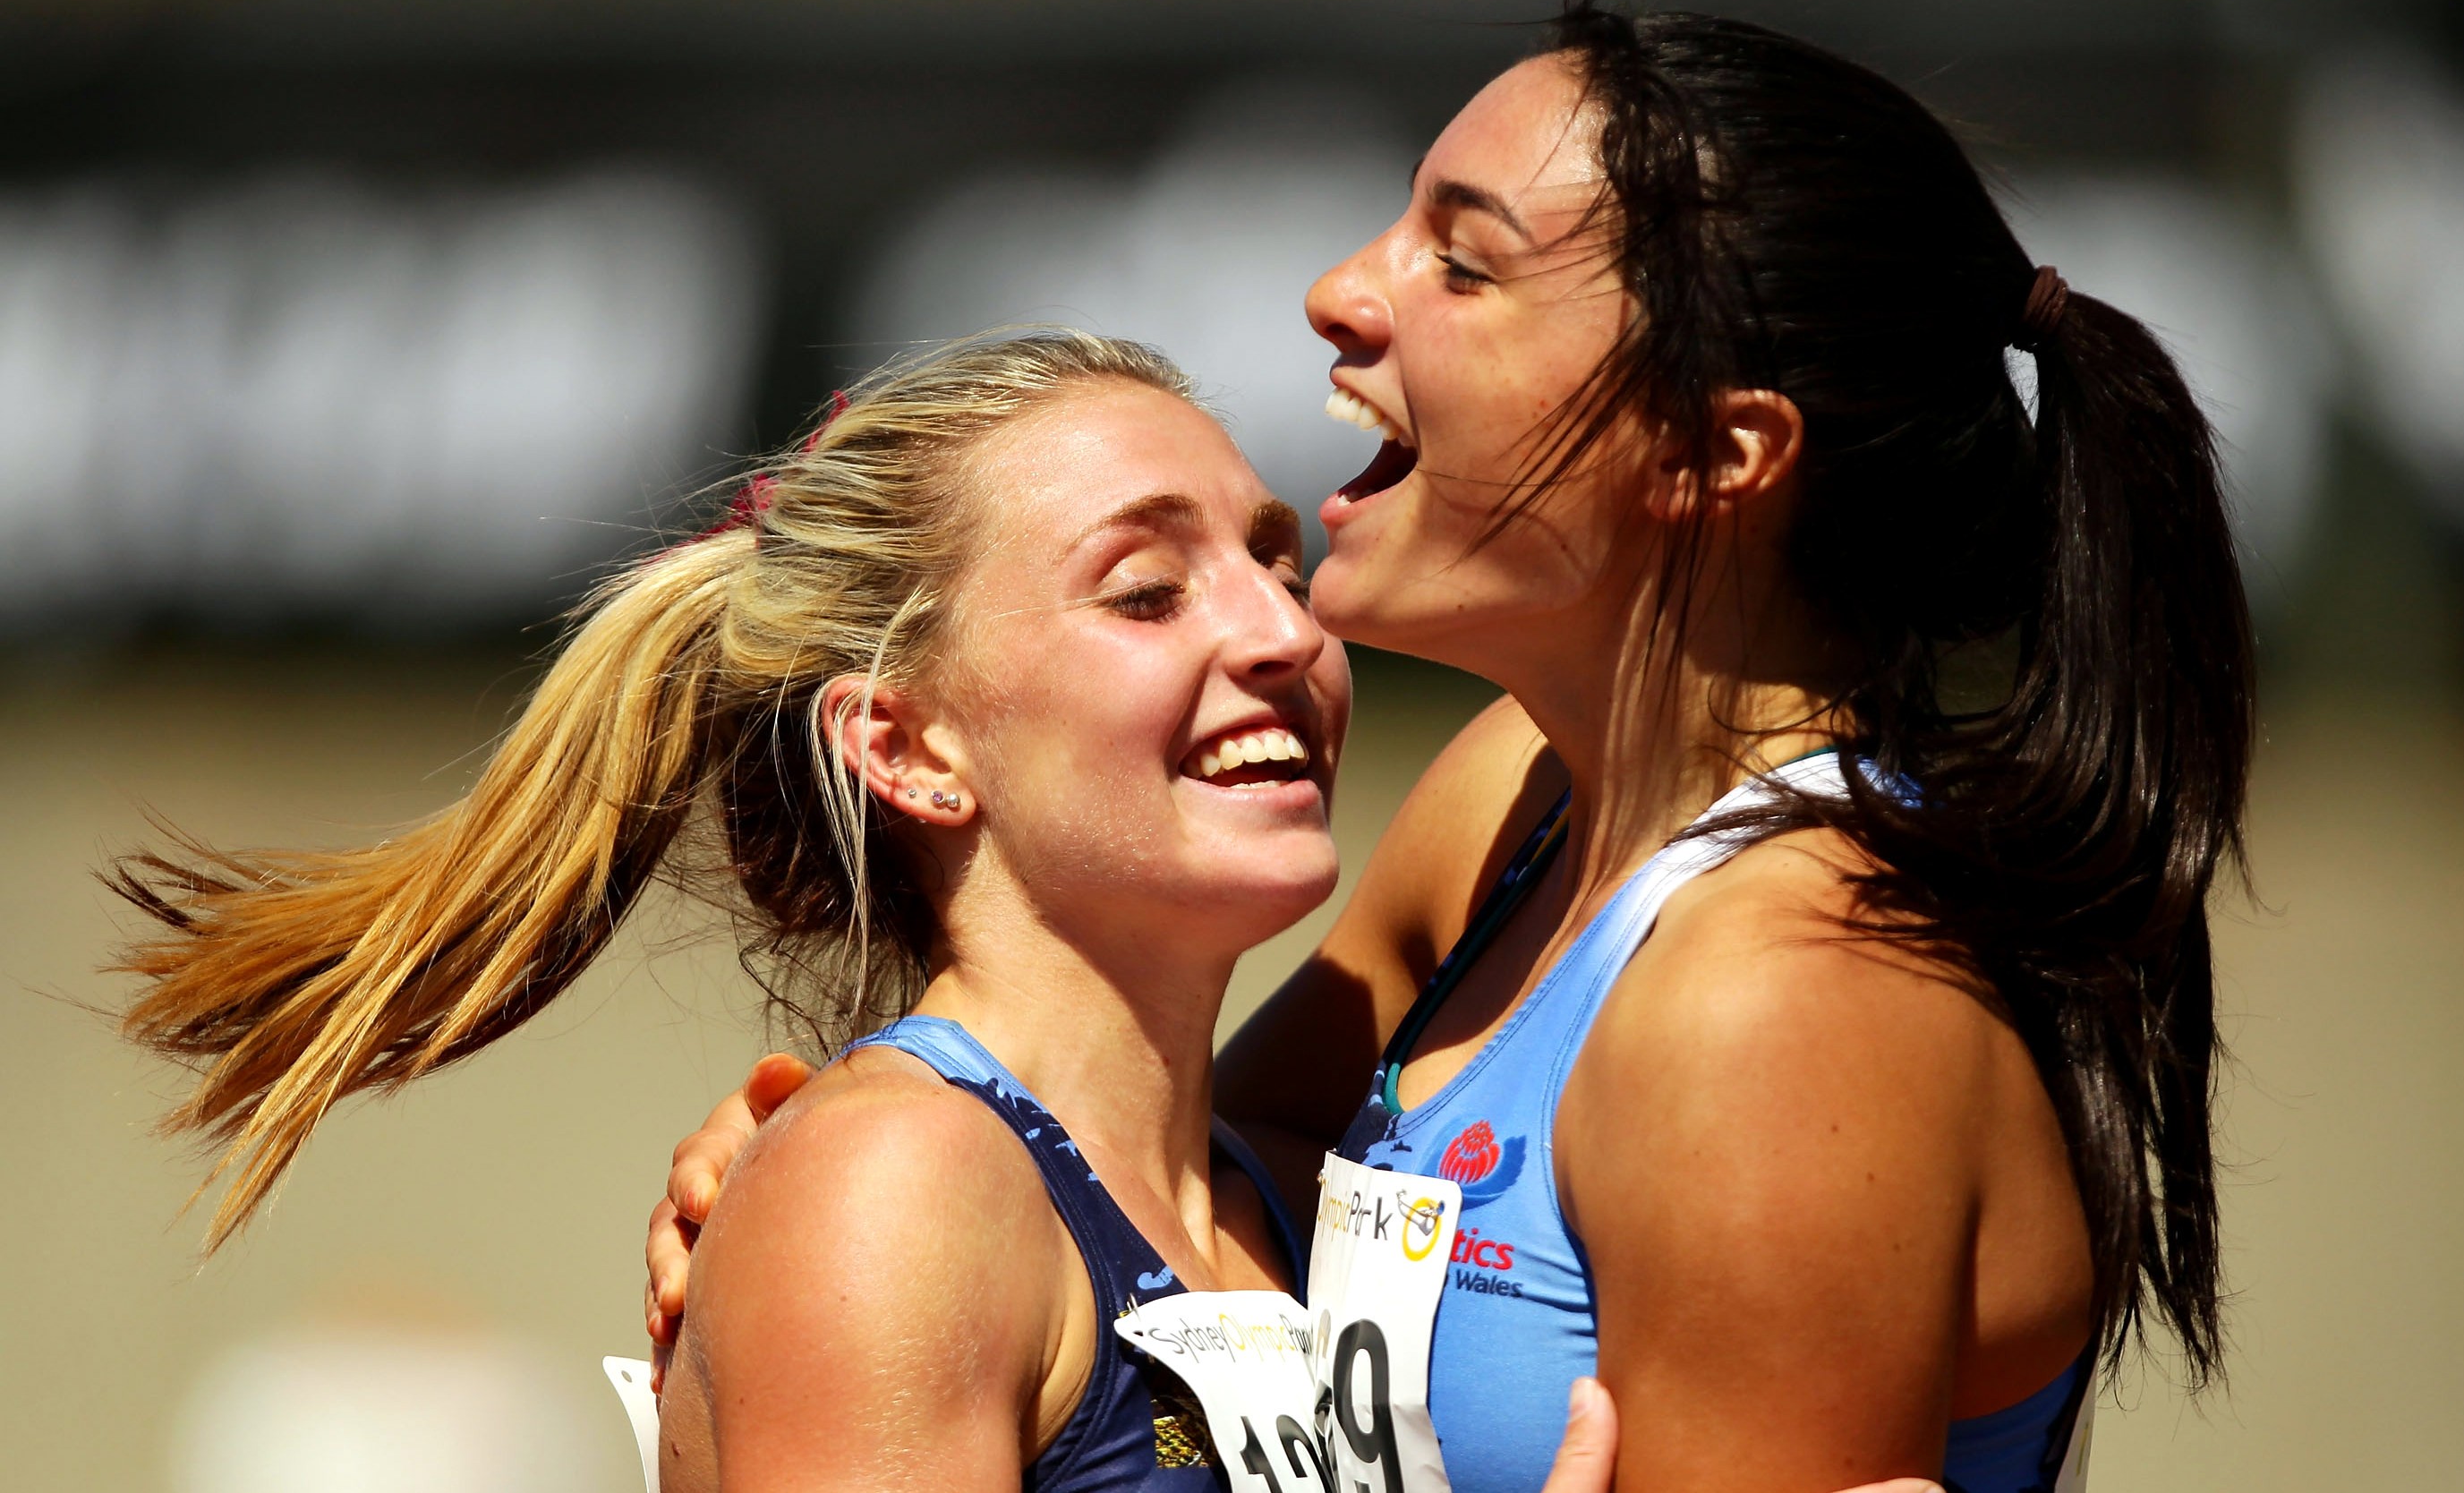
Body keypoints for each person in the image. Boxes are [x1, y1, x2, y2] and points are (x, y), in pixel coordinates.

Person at [649, 0, 2252, 1493]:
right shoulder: (1518, 801)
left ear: (1714, 452)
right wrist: (879, 1179)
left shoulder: (1781, 998)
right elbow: (1208, 1186)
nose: (1341, 291)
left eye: (1462, 266)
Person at [115, 332, 1576, 1493]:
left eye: (1273, 560)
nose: (1284, 630)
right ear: (906, 747)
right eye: (1146, 593)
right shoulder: (896, 1189)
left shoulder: (1277, 1194)